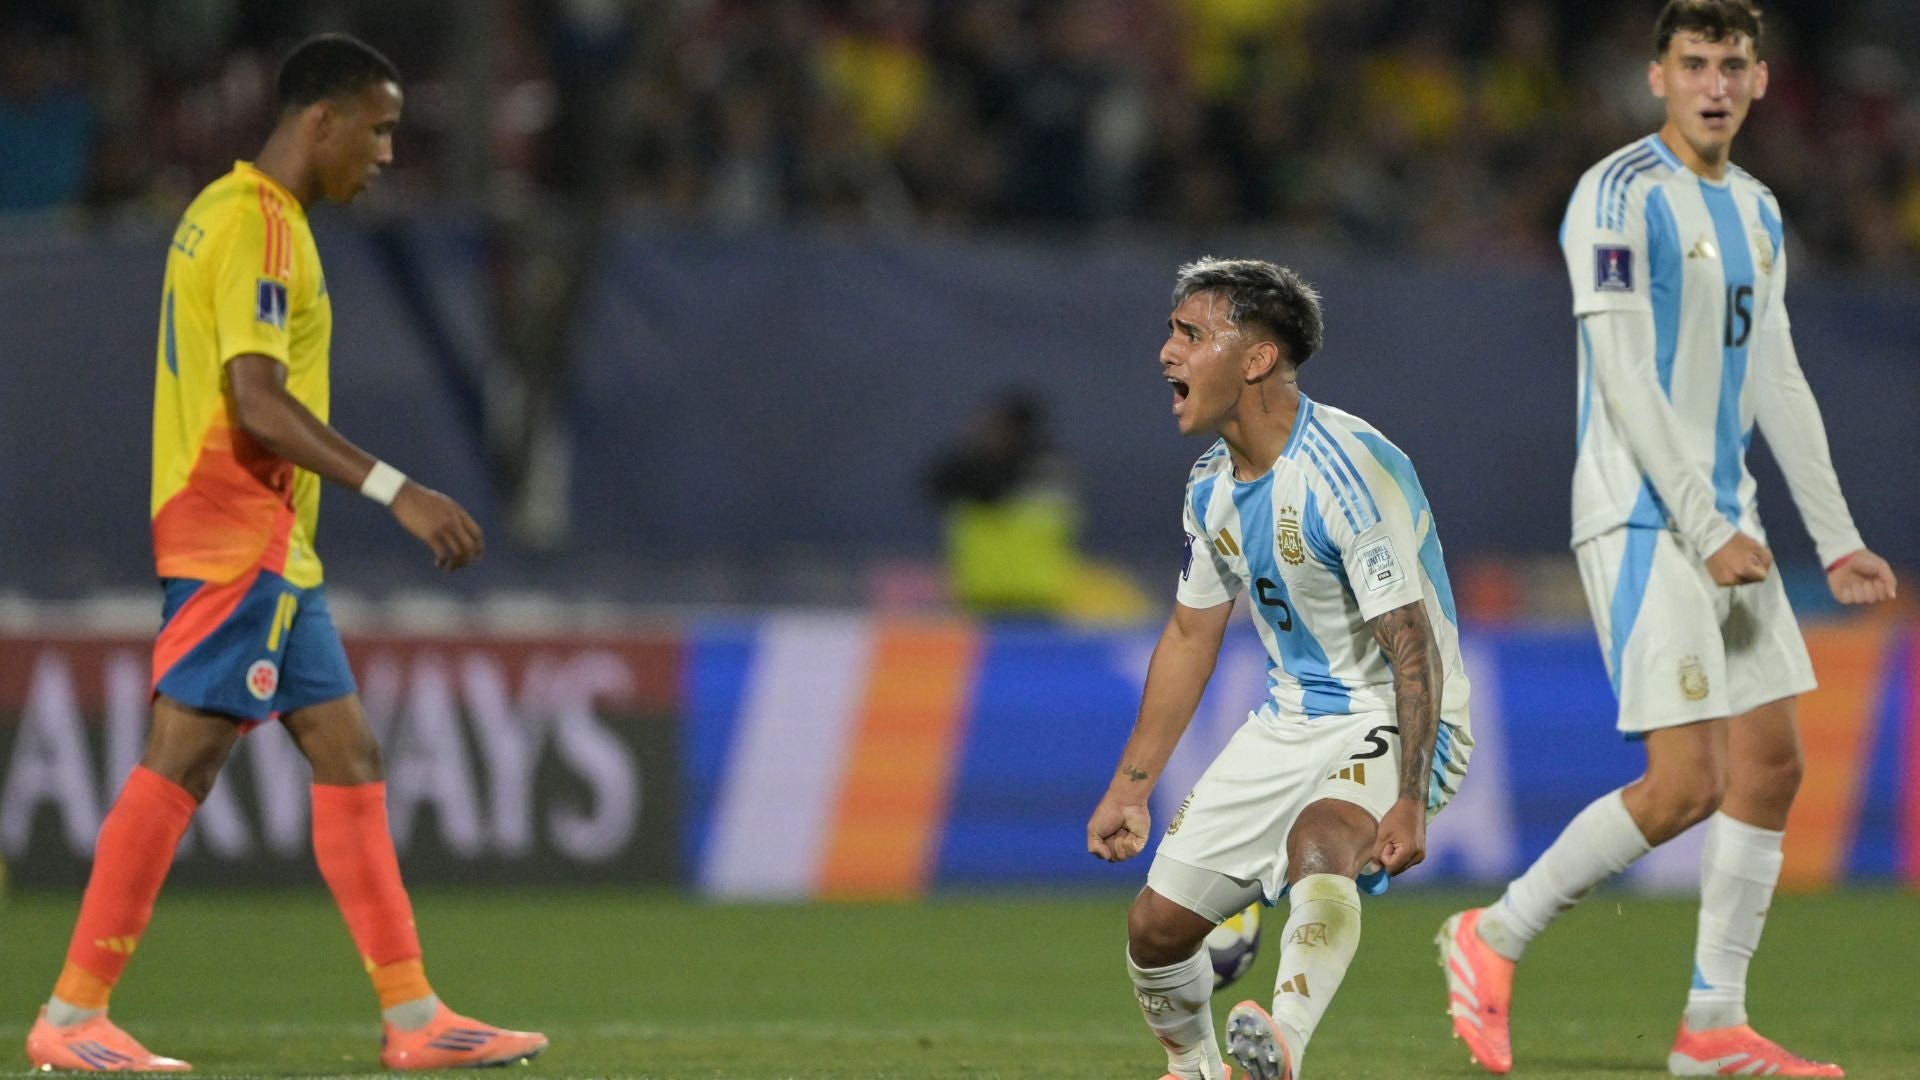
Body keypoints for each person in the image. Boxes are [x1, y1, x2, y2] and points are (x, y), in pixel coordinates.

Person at [25, 34, 548, 1073]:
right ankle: (74, 1016)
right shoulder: (262, 228)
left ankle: (414, 1019)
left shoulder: (223, 213)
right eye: (382, 127)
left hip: (265, 545)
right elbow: (256, 405)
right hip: (238, 534)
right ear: (322, 120)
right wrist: (400, 490)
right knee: (185, 755)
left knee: (347, 752)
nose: (389, 153)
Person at [1437, 4, 1897, 1077]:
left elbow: (1776, 375)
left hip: (1725, 524)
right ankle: (1490, 935)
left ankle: (1712, 1028)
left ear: (1763, 81)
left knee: (1773, 764)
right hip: (1642, 516)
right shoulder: (1615, 194)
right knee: (1685, 782)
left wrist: (1834, 538)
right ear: (1658, 77)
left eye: (1733, 63)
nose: (1714, 81)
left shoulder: (1760, 211)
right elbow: (1628, 372)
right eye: (1694, 62)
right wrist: (1703, 522)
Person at [1087, 257, 1474, 1080]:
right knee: (1155, 930)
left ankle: (1283, 1040)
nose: (1166, 353)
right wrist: (1131, 784)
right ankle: (1196, 1070)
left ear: (1256, 359)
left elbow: (1410, 643)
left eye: (1191, 334)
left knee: (1321, 838)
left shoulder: (1346, 470)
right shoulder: (1210, 489)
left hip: (1395, 713)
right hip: (1288, 723)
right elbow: (1191, 639)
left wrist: (1410, 795)